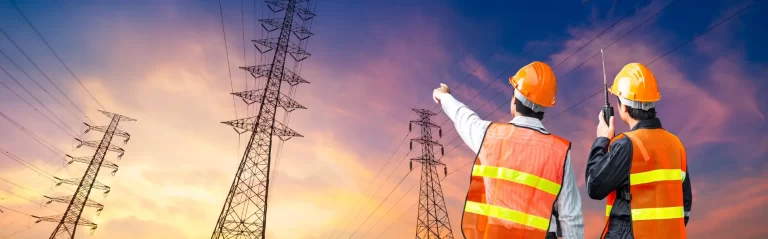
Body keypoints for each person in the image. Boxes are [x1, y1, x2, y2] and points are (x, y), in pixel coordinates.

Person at [433, 61, 584, 239]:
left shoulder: (490, 136)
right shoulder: (560, 152)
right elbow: (571, 216)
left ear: (514, 101)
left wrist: (444, 97)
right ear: (545, 107)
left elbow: (464, 117)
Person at [586, 63, 692, 238]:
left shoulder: (626, 145)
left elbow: (594, 186)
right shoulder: (676, 144)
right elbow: (685, 205)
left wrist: (602, 140)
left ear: (624, 107)